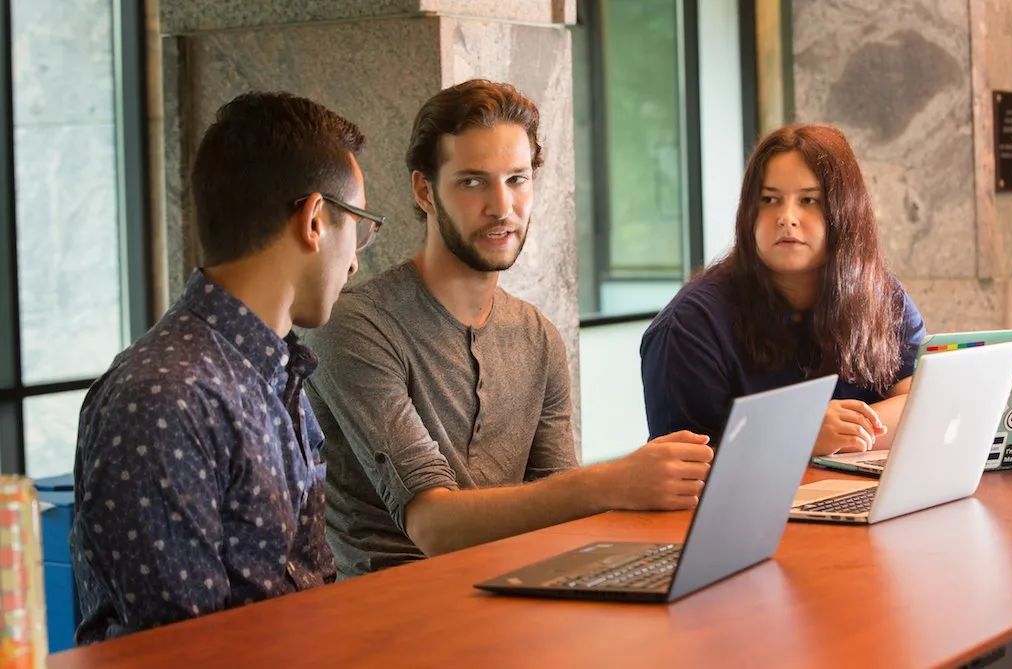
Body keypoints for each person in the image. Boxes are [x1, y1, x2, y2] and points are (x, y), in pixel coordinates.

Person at [304, 79, 713, 577]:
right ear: (423, 191)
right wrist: (612, 481)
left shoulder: (537, 337)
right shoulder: (356, 325)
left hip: (519, 599)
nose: (502, 207)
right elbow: (434, 526)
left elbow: (564, 515)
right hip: (395, 623)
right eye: (473, 182)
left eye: (517, 179)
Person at [70, 92, 385, 642]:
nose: (357, 258)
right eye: (358, 227)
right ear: (314, 220)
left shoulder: (275, 372)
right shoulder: (165, 397)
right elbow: (183, 651)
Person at [641, 123, 926, 456]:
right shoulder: (690, 325)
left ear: (845, 212)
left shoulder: (881, 294)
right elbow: (680, 468)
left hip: (861, 501)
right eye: (769, 199)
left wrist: (841, 434)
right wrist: (800, 435)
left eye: (808, 200)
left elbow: (922, 404)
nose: (786, 217)